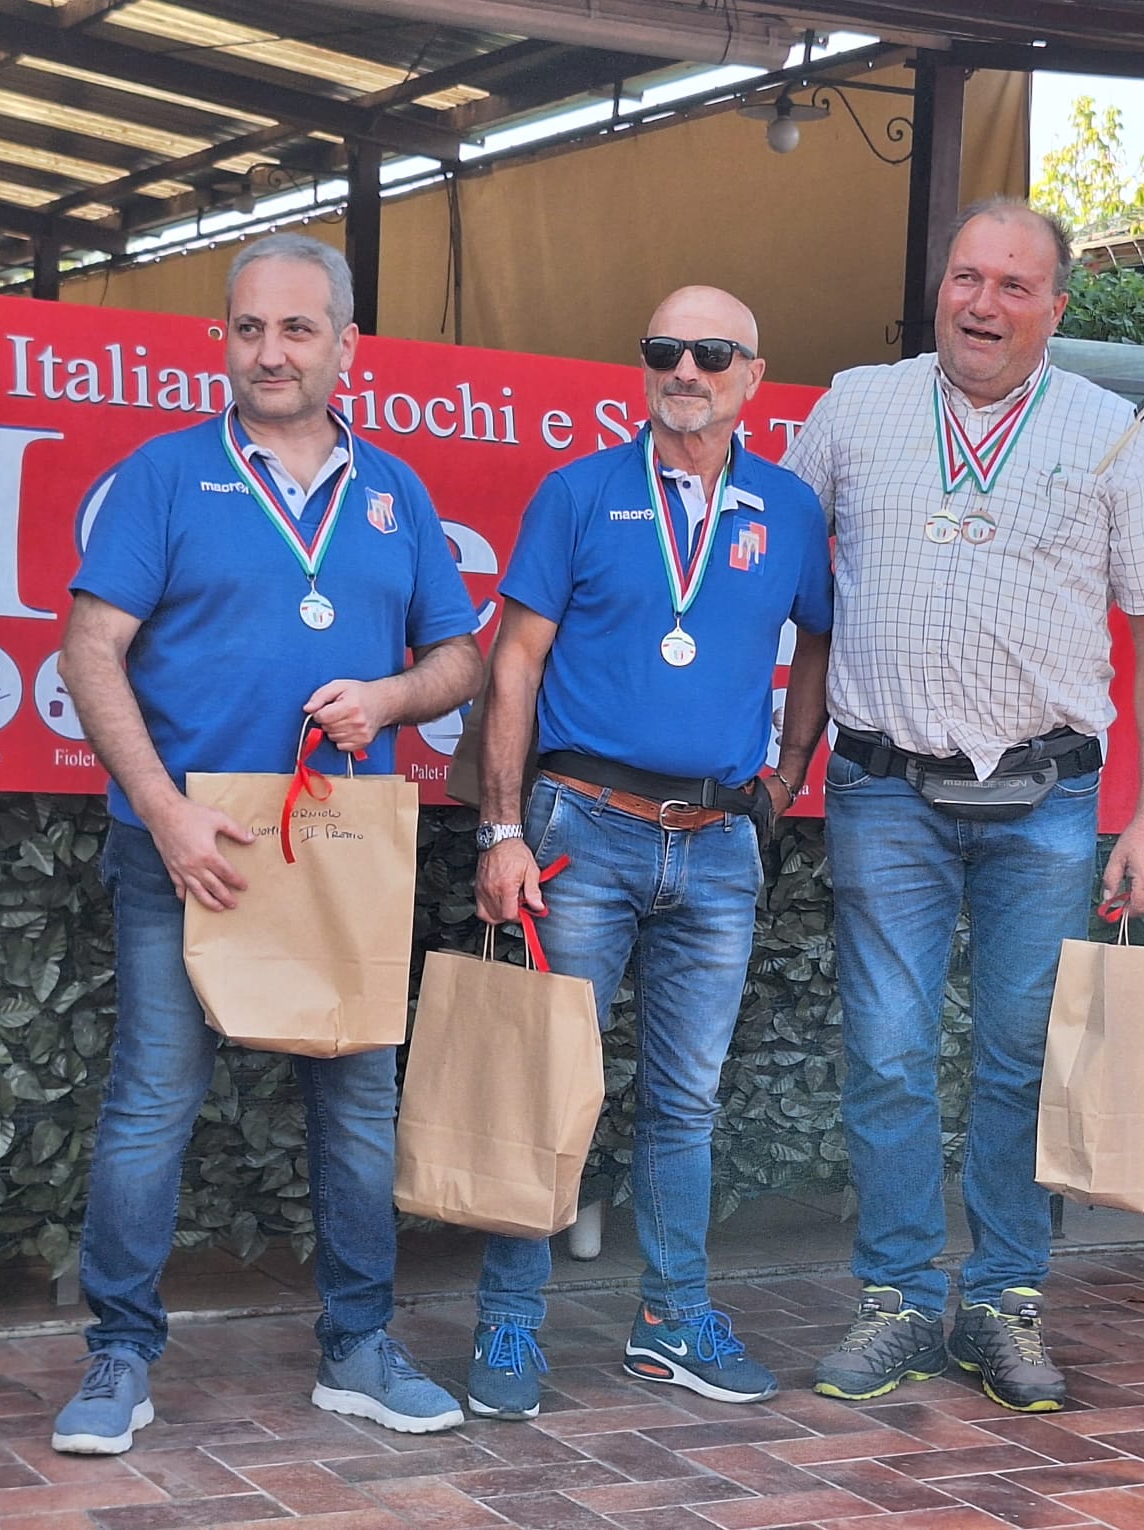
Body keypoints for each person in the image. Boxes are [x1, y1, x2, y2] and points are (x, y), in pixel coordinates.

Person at [55, 233, 483, 1453]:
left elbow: (460, 657)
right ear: (225, 341)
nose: (271, 352)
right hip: (185, 849)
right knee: (152, 1105)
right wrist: (164, 812)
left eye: (298, 328)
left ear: (347, 344)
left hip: (337, 850)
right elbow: (89, 650)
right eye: (249, 329)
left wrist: (389, 698)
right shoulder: (164, 476)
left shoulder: (395, 491)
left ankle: (358, 1348)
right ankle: (120, 1356)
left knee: (356, 1112)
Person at [783, 198, 1144, 1413]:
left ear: (1055, 309)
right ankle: (899, 1300)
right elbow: (779, 574)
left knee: (1022, 1059)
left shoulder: (1118, 435)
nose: (983, 303)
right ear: (940, 290)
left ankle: (1005, 1301)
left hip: (1047, 800)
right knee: (888, 1055)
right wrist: (770, 751)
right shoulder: (854, 408)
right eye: (967, 277)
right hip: (885, 791)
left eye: (1015, 286)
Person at [468, 286, 833, 1420]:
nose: (686, 369)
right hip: (581, 832)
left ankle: (672, 1324)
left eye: (712, 352)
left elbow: (819, 642)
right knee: (544, 1084)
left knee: (687, 1104)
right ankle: (509, 1322)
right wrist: (501, 828)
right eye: (665, 349)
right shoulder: (579, 493)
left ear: (752, 376)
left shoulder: (789, 508)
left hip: (718, 845)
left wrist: (786, 778)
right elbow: (515, 663)